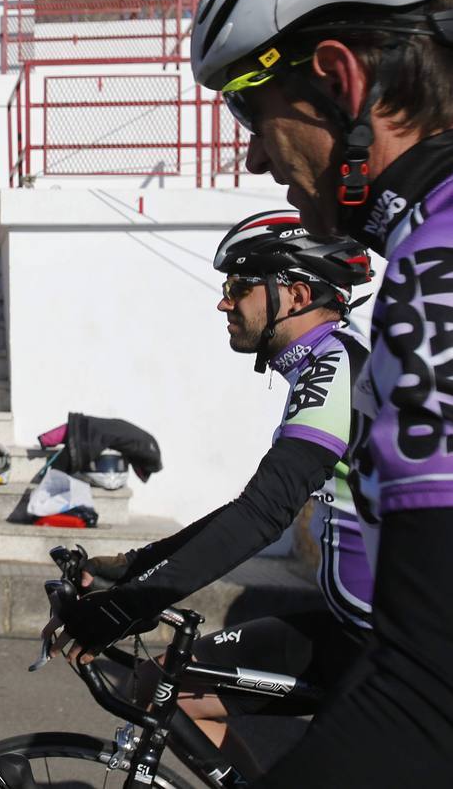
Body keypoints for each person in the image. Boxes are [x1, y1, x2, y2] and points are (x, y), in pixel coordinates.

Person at [187, 0, 453, 783]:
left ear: (340, 79)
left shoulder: (436, 255)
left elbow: (429, 696)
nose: (252, 158)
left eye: (247, 112)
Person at [61, 211, 374, 780]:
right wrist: (134, 567)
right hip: (350, 626)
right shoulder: (327, 364)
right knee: (159, 685)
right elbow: (255, 505)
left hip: (388, 648)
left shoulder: (338, 368)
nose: (224, 303)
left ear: (297, 293)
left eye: (238, 287)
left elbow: (262, 515)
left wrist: (128, 607)